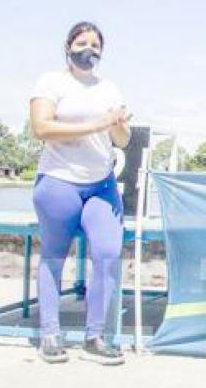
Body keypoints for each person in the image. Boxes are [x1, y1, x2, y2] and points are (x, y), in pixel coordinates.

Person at [29, 21, 131, 365]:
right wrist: (97, 124)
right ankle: (50, 334)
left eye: (96, 45)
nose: (90, 49)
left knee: (107, 252)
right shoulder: (51, 82)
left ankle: (95, 337)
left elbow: (122, 140)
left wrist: (116, 124)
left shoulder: (110, 88)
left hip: (101, 185)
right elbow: (41, 128)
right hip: (58, 182)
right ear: (68, 46)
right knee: (54, 255)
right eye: (82, 43)